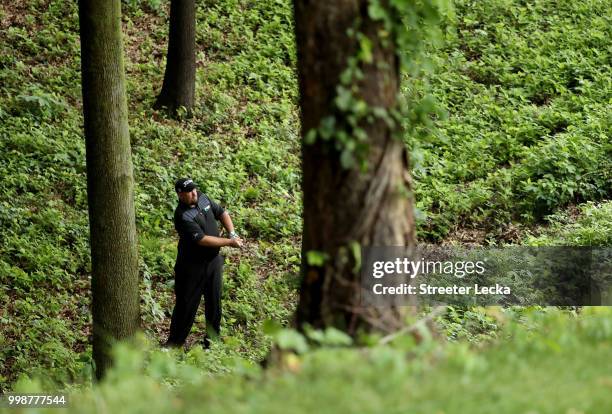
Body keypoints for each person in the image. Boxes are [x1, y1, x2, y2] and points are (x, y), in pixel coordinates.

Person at [165, 178, 243, 349]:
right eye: (189, 192)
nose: (194, 194)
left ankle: (211, 344)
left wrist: (232, 233)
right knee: (186, 305)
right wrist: (229, 243)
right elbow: (202, 240)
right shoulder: (182, 216)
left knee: (214, 303)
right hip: (191, 266)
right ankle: (173, 344)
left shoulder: (202, 197)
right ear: (180, 194)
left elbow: (222, 212)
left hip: (213, 262)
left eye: (194, 190)